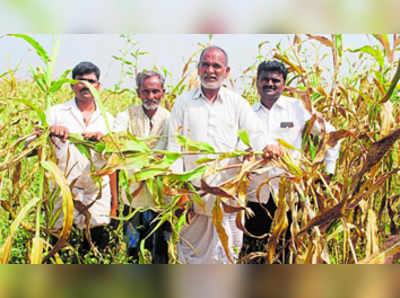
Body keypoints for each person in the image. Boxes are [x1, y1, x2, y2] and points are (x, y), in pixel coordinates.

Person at [167, 46, 282, 264]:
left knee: (226, 254)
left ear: (226, 71)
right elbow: (174, 149)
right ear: (198, 68)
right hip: (194, 195)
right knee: (191, 254)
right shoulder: (184, 103)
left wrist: (268, 146)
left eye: (216, 66)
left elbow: (255, 132)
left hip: (227, 195)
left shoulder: (236, 103)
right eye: (205, 65)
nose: (210, 70)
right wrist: (179, 192)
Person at [244, 60, 340, 262]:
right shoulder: (247, 114)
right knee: (255, 250)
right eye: (265, 80)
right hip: (255, 197)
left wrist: (327, 172)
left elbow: (330, 135)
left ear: (284, 84)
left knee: (288, 250)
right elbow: (238, 147)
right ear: (257, 82)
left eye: (275, 80)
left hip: (290, 195)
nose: (269, 84)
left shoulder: (297, 108)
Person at [47, 61, 118, 253]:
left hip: (97, 193)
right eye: (80, 81)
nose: (85, 85)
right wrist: (50, 131)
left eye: (91, 81)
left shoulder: (109, 120)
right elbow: (36, 145)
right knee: (60, 246)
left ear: (98, 86)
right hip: (63, 191)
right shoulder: (55, 113)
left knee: (95, 246)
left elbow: (114, 164)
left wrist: (115, 203)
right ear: (71, 85)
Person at [113, 70, 171, 263]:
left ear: (163, 92)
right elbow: (117, 144)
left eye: (155, 91)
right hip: (133, 200)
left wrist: (137, 153)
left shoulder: (171, 120)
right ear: (138, 93)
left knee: (160, 254)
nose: (151, 97)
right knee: (132, 250)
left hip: (161, 202)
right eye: (145, 92)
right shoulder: (126, 116)